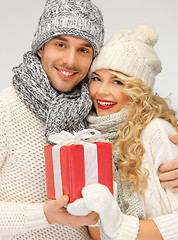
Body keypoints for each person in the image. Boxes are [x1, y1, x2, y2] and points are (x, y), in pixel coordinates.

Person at [0, 0, 104, 239]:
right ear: (41, 48)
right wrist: (44, 214)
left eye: (83, 49)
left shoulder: (97, 112)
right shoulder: (5, 108)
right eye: (60, 44)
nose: (70, 60)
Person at [67, 24, 178, 239]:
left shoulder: (155, 131)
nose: (101, 91)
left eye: (118, 81)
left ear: (138, 89)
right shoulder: (87, 135)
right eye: (96, 78)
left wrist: (121, 229)